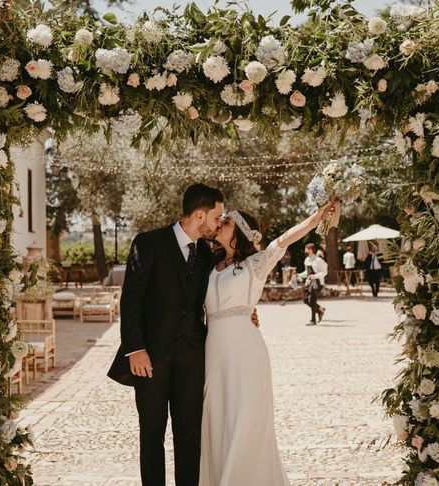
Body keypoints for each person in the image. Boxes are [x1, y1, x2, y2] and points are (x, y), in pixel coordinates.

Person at [200, 200, 339, 485]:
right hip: (213, 354)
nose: (220, 223)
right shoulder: (208, 265)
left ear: (238, 231)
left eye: (226, 221)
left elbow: (285, 239)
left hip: (246, 353)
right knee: (216, 420)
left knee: (244, 421)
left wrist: (316, 217)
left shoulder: (254, 265)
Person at [107, 183, 225, 486]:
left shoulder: (207, 254)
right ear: (199, 215)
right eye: (216, 217)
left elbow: (219, 292)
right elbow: (131, 299)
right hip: (150, 358)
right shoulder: (148, 243)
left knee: (189, 437)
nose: (218, 224)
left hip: (192, 358)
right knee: (152, 436)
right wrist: (135, 348)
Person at [298, 242, 329, 325]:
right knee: (305, 300)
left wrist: (315, 276)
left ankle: (313, 320)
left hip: (318, 283)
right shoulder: (306, 260)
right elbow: (307, 272)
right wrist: (298, 275)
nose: (305, 251)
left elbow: (324, 272)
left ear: (310, 250)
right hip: (308, 283)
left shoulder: (318, 260)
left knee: (312, 299)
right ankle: (320, 310)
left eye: (306, 249)